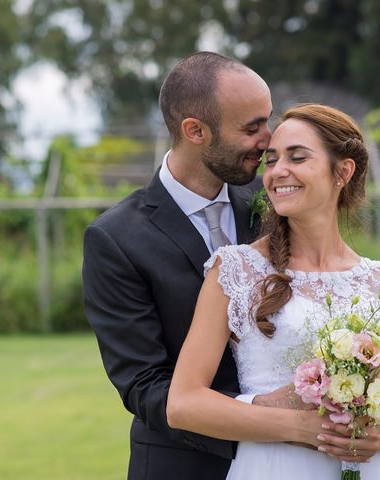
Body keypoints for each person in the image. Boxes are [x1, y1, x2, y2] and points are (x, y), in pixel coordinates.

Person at [167, 103, 380, 479]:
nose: (277, 172)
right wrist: (300, 427)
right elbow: (183, 405)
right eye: (271, 160)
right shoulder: (236, 270)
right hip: (274, 467)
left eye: (297, 157)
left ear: (343, 171)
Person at [82, 52, 274, 479]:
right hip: (184, 466)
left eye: (267, 120)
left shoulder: (274, 204)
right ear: (195, 131)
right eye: (251, 127)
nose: (268, 139)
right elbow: (145, 385)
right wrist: (268, 422)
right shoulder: (115, 239)